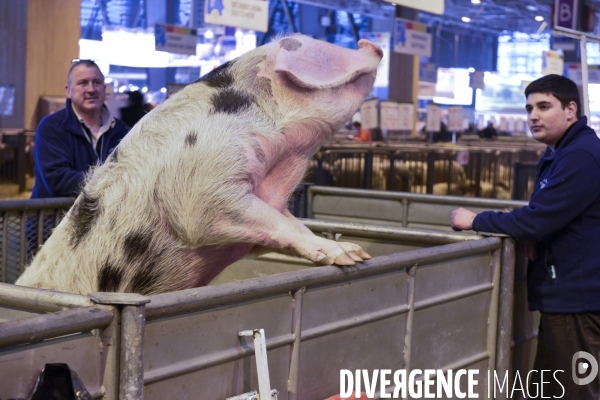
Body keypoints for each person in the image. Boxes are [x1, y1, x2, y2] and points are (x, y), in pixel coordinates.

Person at [451, 74, 600, 399]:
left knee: (578, 390)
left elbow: (538, 219)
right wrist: (538, 235)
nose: (533, 115)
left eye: (544, 106)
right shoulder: (562, 152)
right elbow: (552, 216)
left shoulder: (580, 155)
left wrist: (476, 219)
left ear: (571, 109)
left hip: (578, 298)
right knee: (548, 390)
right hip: (566, 293)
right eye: (530, 107)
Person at [31, 59, 129, 198]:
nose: (91, 89)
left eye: (97, 82)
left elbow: (132, 174)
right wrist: (111, 181)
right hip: (54, 217)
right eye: (83, 83)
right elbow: (58, 180)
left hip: (103, 218)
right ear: (68, 91)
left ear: (104, 88)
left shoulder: (122, 130)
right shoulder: (51, 127)